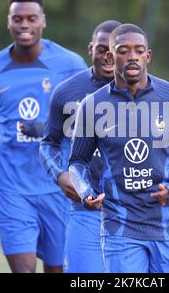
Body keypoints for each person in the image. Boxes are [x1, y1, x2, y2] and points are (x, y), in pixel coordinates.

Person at [68, 23, 169, 273]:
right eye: (123, 51)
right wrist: (84, 190)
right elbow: (77, 162)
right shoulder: (92, 106)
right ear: (110, 57)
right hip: (119, 228)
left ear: (148, 56)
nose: (132, 57)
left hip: (168, 226)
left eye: (138, 50)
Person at [0, 0, 87, 273]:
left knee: (57, 269)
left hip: (59, 187)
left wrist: (49, 128)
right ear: (8, 21)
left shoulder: (71, 65)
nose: (24, 25)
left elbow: (85, 124)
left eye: (31, 18)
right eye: (17, 18)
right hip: (13, 187)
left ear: (43, 20)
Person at [40, 20, 121, 273]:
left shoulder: (144, 93)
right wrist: (60, 175)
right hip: (86, 207)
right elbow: (48, 143)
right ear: (90, 49)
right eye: (101, 49)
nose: (107, 57)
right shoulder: (66, 93)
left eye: (114, 50)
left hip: (134, 211)